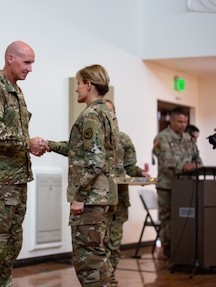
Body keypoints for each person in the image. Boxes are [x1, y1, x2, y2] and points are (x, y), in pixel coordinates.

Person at [0, 40, 49, 287]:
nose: (30, 68)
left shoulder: (15, 91)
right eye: (27, 62)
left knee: (12, 243)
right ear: (10, 59)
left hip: (16, 179)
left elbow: (11, 134)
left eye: (32, 63)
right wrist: (27, 143)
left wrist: (27, 145)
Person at [47, 64, 120, 287]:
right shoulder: (108, 113)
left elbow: (95, 161)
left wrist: (80, 196)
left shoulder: (90, 115)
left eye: (78, 84)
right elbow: (81, 150)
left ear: (89, 85)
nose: (76, 89)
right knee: (100, 256)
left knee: (88, 261)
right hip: (106, 196)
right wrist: (49, 145)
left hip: (91, 200)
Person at [152, 106, 202, 262]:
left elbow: (197, 159)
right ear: (171, 120)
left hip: (187, 187)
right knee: (168, 220)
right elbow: (166, 159)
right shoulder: (162, 137)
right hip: (168, 186)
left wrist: (197, 166)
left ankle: (185, 251)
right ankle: (169, 252)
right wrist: (184, 166)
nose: (183, 125)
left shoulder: (188, 139)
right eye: (180, 121)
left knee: (186, 218)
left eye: (186, 121)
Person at [105, 99, 150, 271]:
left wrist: (141, 174)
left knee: (114, 241)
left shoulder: (123, 139)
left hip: (119, 199)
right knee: (97, 243)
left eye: (110, 111)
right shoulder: (91, 136)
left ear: (115, 114)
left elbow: (130, 166)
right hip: (96, 198)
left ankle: (111, 276)